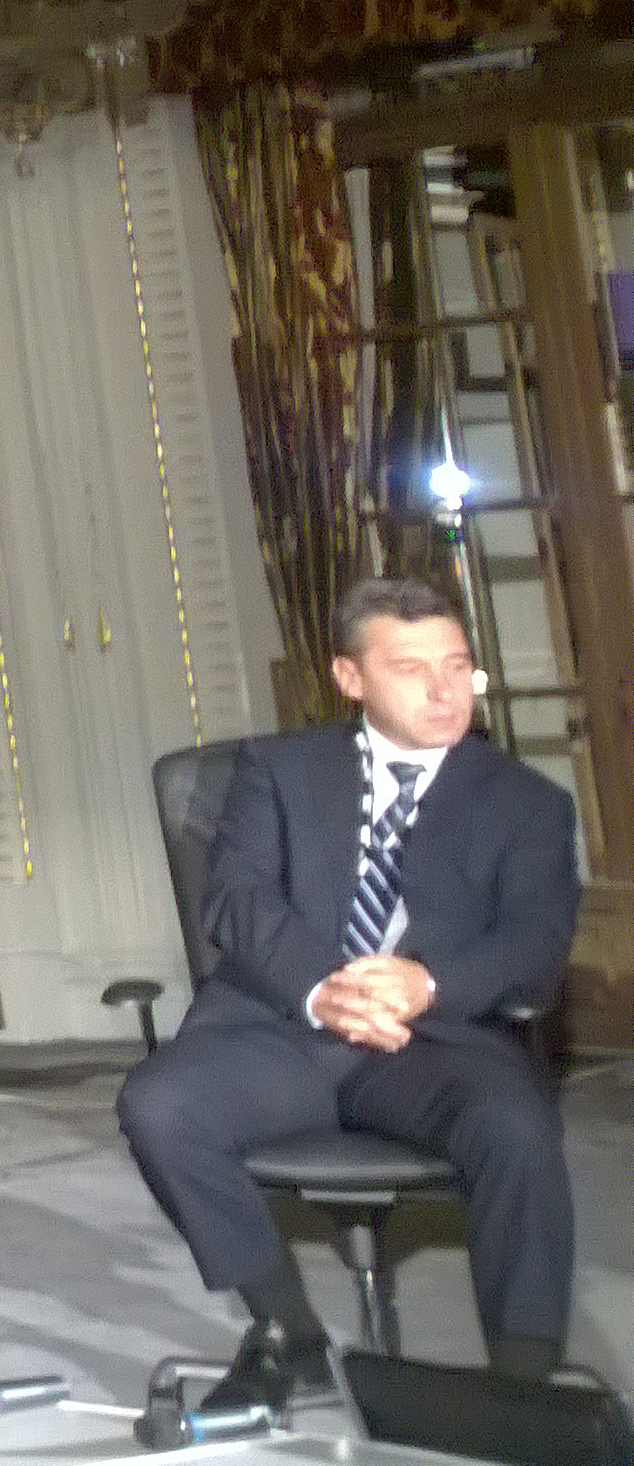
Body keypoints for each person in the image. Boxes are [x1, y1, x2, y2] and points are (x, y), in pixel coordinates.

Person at [117, 575, 579, 1409]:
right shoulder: (277, 771)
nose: (445, 691)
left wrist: (428, 981)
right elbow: (238, 900)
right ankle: (287, 1332)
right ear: (349, 676)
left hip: (429, 1045)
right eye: (411, 669)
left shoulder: (527, 803)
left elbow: (534, 944)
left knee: (516, 1126)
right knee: (159, 1104)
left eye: (458, 666)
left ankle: (524, 1386)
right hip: (283, 1034)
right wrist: (322, 988)